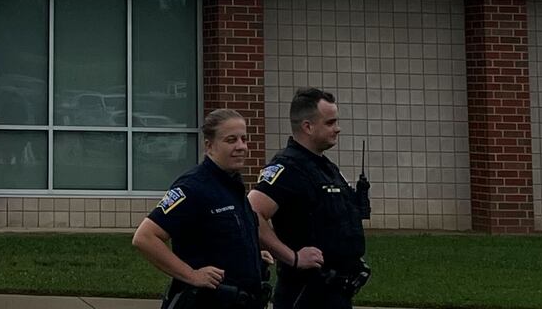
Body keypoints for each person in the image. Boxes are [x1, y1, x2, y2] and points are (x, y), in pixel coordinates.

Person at [133, 109, 267, 309]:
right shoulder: (193, 187)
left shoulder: (234, 186)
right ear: (209, 146)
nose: (241, 146)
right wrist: (192, 275)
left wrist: (253, 255)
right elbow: (145, 237)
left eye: (244, 139)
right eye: (231, 140)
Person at [249, 89, 369, 309]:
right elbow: (252, 212)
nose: (337, 128)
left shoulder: (325, 167)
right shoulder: (288, 167)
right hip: (306, 293)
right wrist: (292, 257)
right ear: (307, 126)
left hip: (336, 292)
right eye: (330, 123)